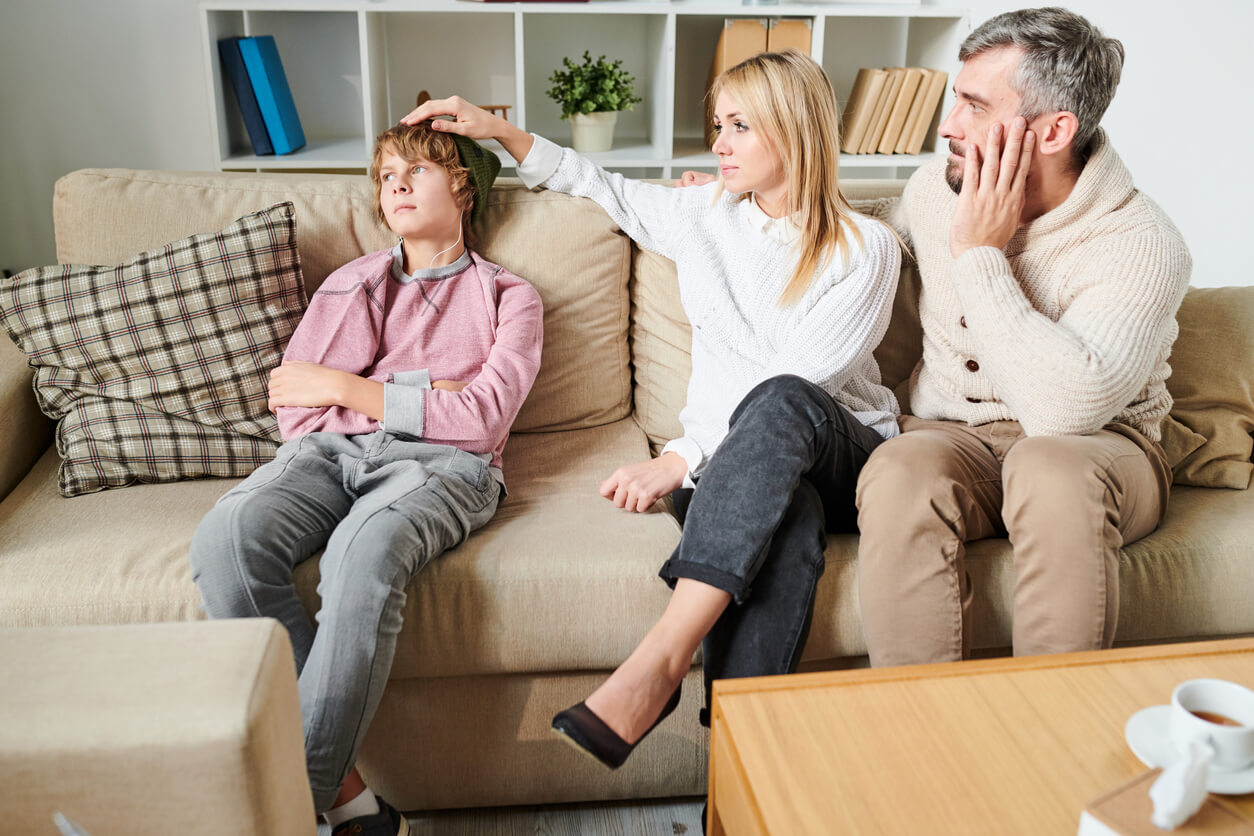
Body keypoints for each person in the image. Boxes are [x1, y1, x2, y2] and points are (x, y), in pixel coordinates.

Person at [402, 48, 901, 769]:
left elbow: (796, 384)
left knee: (785, 401)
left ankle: (658, 660)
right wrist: (501, 133)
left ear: (793, 132)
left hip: (842, 456)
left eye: (740, 127)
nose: (718, 144)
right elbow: (597, 184)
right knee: (783, 523)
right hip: (751, 477)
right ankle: (739, 781)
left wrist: (682, 457)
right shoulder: (704, 213)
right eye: (718, 124)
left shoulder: (866, 248)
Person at [188, 123, 543, 836]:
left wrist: (353, 386)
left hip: (447, 466)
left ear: (465, 187)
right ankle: (348, 798)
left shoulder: (511, 297)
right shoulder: (353, 283)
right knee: (227, 537)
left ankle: (289, 806)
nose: (399, 185)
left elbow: (479, 420)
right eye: (387, 177)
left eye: (418, 170)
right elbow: (295, 403)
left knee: (363, 551)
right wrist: (424, 388)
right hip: (326, 454)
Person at [855, 7, 1192, 666]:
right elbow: (866, 238)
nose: (948, 126)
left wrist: (980, 254)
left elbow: (1063, 412)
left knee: (1047, 466)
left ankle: (1048, 744)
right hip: (951, 434)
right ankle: (916, 736)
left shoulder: (1142, 242)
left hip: (1100, 446)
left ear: (1054, 130)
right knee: (897, 467)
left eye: (975, 108)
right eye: (957, 99)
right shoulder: (937, 188)